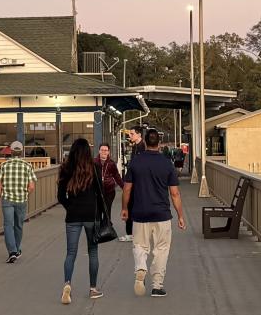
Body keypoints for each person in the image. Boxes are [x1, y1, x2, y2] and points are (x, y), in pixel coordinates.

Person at [121, 127, 185, 297]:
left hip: (140, 213)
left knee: (139, 245)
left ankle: (141, 266)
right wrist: (180, 216)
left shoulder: (136, 161)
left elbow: (127, 189)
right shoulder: (167, 164)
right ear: (159, 143)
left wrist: (125, 208)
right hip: (161, 214)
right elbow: (175, 193)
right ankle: (157, 285)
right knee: (161, 249)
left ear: (146, 141)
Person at [56, 138, 109, 305]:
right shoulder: (94, 168)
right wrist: (102, 215)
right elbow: (101, 194)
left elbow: (60, 196)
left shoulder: (66, 169)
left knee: (70, 253)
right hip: (91, 216)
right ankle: (93, 289)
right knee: (92, 252)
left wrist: (69, 207)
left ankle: (67, 284)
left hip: (73, 216)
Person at [0, 139, 33, 262]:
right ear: (21, 152)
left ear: (11, 152)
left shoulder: (3, 165)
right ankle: (17, 250)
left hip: (7, 199)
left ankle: (12, 251)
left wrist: (3, 196)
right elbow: (31, 186)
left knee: (8, 225)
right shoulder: (27, 166)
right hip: (21, 199)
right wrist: (25, 194)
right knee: (18, 225)